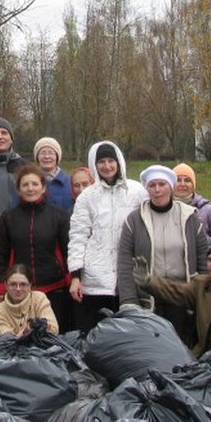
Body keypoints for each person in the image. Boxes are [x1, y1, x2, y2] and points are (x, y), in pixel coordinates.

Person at [117, 165, 208, 345]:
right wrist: (129, 300)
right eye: (152, 185)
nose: (157, 190)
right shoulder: (134, 220)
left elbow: (203, 259)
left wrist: (204, 294)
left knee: (183, 345)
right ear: (147, 188)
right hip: (149, 296)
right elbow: (125, 263)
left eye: (162, 184)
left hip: (183, 294)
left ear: (171, 187)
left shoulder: (190, 218)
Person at [67, 141, 148, 332]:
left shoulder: (136, 192)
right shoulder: (87, 197)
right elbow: (78, 235)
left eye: (111, 160)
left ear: (119, 162)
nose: (106, 166)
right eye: (101, 161)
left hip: (128, 275)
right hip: (96, 279)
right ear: (95, 165)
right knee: (95, 333)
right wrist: (76, 276)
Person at [0, 163, 72, 331]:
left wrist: (72, 279)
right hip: (19, 292)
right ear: (19, 189)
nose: (30, 188)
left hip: (54, 289)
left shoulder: (59, 216)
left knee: (53, 337)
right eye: (25, 184)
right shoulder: (9, 218)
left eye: (35, 184)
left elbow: (68, 251)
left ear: (43, 188)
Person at [0, 264, 59, 337]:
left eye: (23, 284)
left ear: (30, 285)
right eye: (13, 284)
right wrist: (28, 330)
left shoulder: (39, 298)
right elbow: (7, 341)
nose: (18, 289)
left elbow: (54, 330)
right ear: (6, 285)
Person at [172, 163, 211, 241]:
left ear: (193, 184)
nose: (183, 184)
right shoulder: (164, 208)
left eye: (187, 180)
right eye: (178, 180)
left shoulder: (209, 210)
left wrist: (200, 239)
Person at [33, 137, 74, 212]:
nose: (46, 156)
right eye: (43, 153)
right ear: (37, 157)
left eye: (50, 153)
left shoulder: (71, 182)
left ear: (57, 157)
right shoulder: (29, 182)